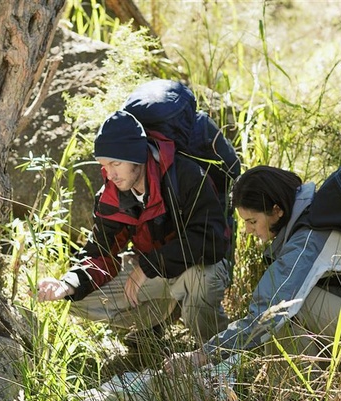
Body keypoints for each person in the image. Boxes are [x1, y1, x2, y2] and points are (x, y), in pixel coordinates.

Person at [165, 166, 341, 371]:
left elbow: (265, 316)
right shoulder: (318, 212)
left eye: (251, 221)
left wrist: (202, 355)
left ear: (277, 211)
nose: (247, 231)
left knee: (287, 309)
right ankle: (312, 398)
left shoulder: (308, 239)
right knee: (290, 311)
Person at [36, 110, 231, 345]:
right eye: (104, 165)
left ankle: (216, 349)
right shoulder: (111, 196)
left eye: (116, 163)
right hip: (151, 272)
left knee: (201, 277)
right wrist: (67, 283)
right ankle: (154, 326)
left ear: (137, 156)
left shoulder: (185, 176)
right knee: (78, 299)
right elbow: (101, 253)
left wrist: (149, 266)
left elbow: (211, 240)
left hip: (195, 267)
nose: (110, 174)